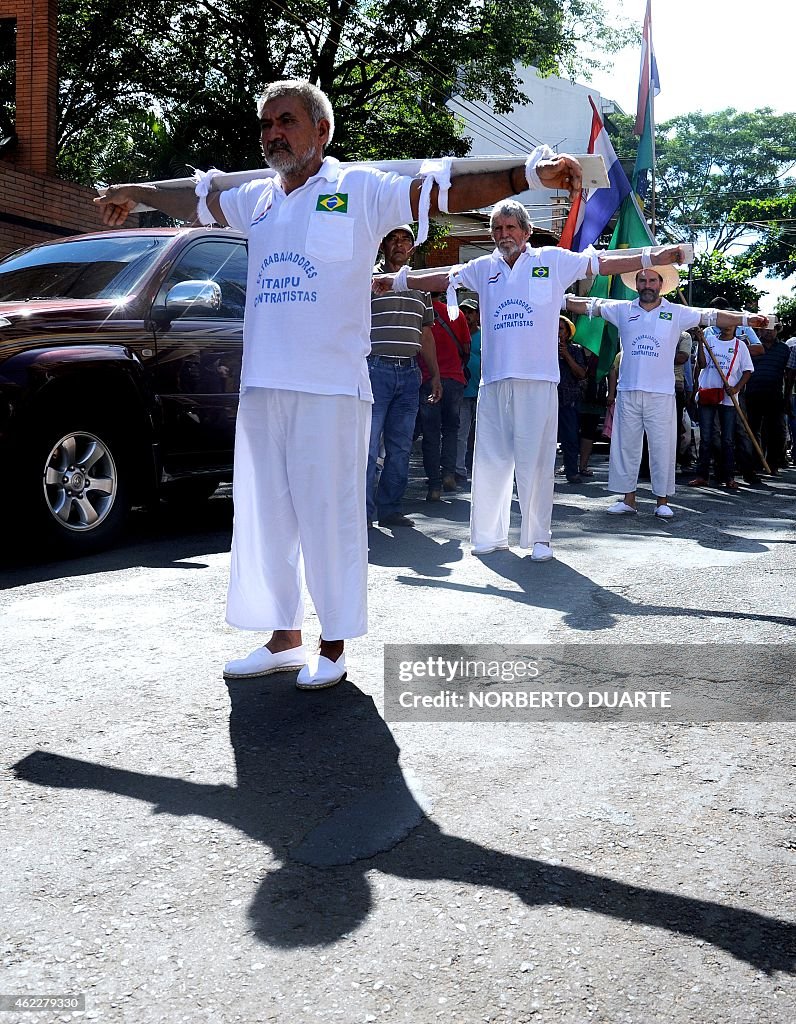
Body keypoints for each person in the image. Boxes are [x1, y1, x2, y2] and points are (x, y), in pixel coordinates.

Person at [95, 79, 584, 688]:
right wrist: (133, 191)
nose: (275, 132)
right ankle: (281, 639)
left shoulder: (361, 188)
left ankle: (332, 645)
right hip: (265, 386)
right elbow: (199, 196)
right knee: (265, 515)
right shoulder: (260, 198)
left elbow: (446, 186)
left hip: (330, 389)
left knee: (330, 516)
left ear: (321, 130)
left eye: (288, 120)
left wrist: (528, 175)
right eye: (268, 123)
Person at [374, 203, 684, 560]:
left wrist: (651, 256)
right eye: (497, 229)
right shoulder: (483, 268)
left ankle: (539, 538)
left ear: (526, 231)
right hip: (494, 382)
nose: (503, 234)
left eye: (509, 227)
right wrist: (396, 280)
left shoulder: (551, 260)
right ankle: (489, 535)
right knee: (490, 461)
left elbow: (602, 263)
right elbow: (443, 277)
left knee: (535, 462)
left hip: (538, 380)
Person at [566, 269, 767, 518]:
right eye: (642, 280)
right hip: (628, 391)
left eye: (652, 280)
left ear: (661, 284)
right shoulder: (622, 309)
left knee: (662, 447)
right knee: (625, 447)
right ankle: (628, 499)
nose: (647, 284)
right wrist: (554, 296)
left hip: (661, 394)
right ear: (636, 284)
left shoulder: (677, 313)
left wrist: (747, 321)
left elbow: (711, 316)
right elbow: (589, 305)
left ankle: (662, 500)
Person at [368, 225, 441, 529]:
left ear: (412, 247)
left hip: (410, 373)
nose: (399, 244)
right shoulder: (368, 279)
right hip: (374, 370)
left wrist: (435, 376)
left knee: (400, 447)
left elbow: (426, 335)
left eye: (405, 240)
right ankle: (361, 511)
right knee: (368, 446)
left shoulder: (420, 285)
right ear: (383, 245)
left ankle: (390, 509)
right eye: (393, 239)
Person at [688, 324, 754, 491]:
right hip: (708, 393)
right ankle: (702, 475)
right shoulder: (709, 340)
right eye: (724, 324)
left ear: (736, 327)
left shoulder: (740, 346)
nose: (727, 327)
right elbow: (702, 365)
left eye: (730, 324)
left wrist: (737, 388)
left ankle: (729, 477)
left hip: (729, 397)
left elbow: (748, 371)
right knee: (706, 438)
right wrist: (701, 343)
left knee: (728, 439)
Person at [418, 296, 470, 500]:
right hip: (454, 379)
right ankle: (448, 472)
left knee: (430, 433)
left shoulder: (419, 311)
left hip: (427, 377)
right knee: (451, 429)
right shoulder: (456, 314)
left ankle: (434, 485)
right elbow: (466, 347)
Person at [744, 316, 791, 475]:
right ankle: (755, 463)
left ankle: (773, 463)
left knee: (775, 431)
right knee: (752, 430)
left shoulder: (784, 349)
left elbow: (789, 374)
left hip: (775, 395)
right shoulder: (753, 348)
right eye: (765, 329)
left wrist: (787, 398)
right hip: (753, 393)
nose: (768, 332)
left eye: (772, 329)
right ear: (759, 330)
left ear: (777, 330)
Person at [556, 316, 587, 483]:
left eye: (561, 329)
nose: (557, 333)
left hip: (569, 399)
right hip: (547, 398)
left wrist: (566, 354)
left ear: (567, 333)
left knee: (570, 437)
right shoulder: (542, 348)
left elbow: (581, 374)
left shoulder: (575, 350)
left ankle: (572, 471)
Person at [455, 299, 481, 484]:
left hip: (483, 392)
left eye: (470, 311)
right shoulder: (455, 333)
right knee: (461, 433)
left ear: (478, 315)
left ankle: (483, 470)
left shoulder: (486, 335)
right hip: (462, 392)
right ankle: (458, 470)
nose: (467, 315)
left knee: (484, 435)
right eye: (463, 310)